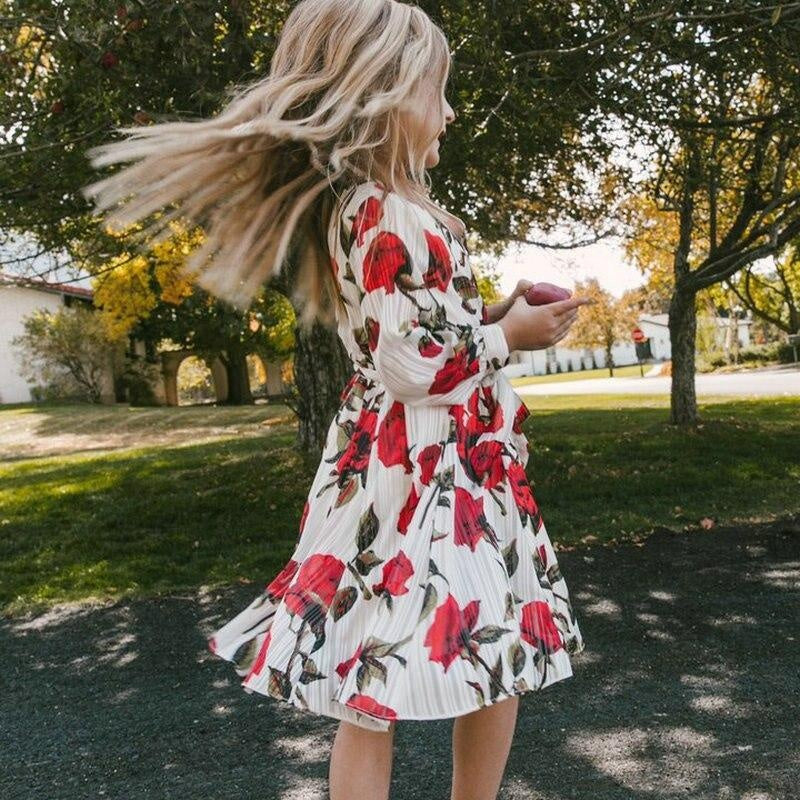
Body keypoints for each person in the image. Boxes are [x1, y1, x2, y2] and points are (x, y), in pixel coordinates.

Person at [81, 2, 590, 798]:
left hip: (440, 465)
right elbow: (408, 365)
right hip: (425, 478)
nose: (449, 112)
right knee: (449, 660)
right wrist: (508, 340)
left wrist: (493, 317)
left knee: (443, 666)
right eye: (438, 92)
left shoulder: (382, 209)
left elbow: (421, 334)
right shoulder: (385, 213)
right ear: (385, 98)